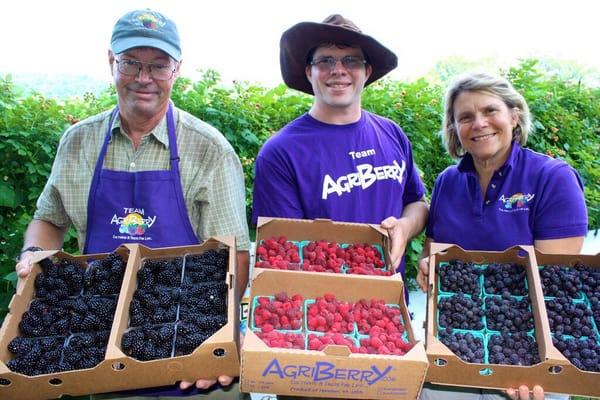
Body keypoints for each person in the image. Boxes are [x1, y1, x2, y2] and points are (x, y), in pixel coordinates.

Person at [14, 8, 250, 399]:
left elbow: (234, 256)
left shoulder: (209, 150)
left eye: (158, 66)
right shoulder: (78, 143)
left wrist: (214, 340)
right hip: (96, 349)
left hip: (185, 354)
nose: (144, 78)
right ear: (111, 61)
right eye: (131, 63)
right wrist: (34, 253)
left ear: (176, 70)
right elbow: (48, 219)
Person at [417, 72, 588, 400]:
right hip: (455, 339)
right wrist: (428, 269)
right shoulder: (447, 183)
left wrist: (526, 362)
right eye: (465, 117)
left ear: (514, 114)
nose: (479, 123)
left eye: (490, 111)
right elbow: (433, 256)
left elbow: (554, 287)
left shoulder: (552, 178)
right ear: (454, 128)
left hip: (528, 350)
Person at [252, 14, 428, 278]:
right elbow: (282, 253)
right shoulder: (280, 152)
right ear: (308, 72)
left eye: (351, 60)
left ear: (366, 71)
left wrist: (404, 226)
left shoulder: (392, 134)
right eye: (325, 61)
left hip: (389, 303)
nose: (338, 69)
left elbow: (417, 202)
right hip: (321, 307)